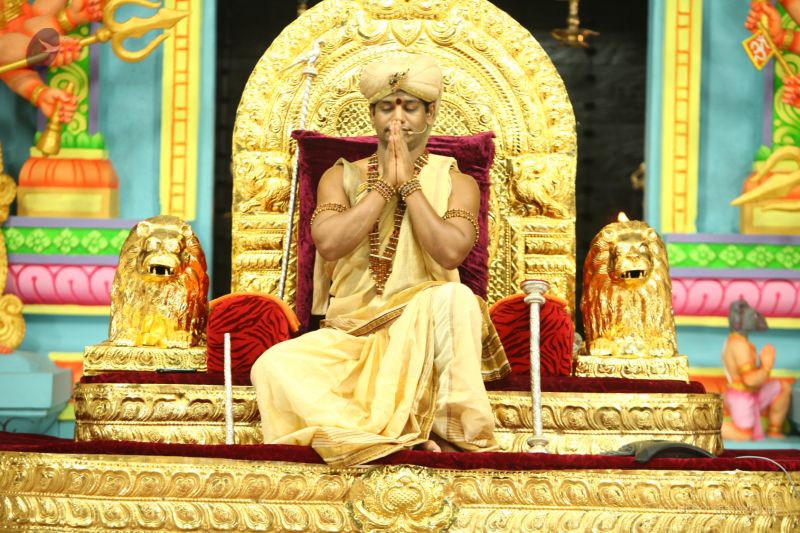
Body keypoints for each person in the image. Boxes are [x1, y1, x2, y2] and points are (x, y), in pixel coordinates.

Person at [250, 53, 509, 467]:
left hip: (421, 332)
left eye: (410, 107)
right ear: (372, 115)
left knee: (456, 299)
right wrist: (384, 186)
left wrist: (409, 186)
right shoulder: (340, 176)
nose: (397, 119)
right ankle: (391, 438)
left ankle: (450, 435)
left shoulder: (457, 180)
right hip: (349, 339)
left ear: (431, 114)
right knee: (273, 365)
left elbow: (450, 251)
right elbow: (329, 244)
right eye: (387, 107)